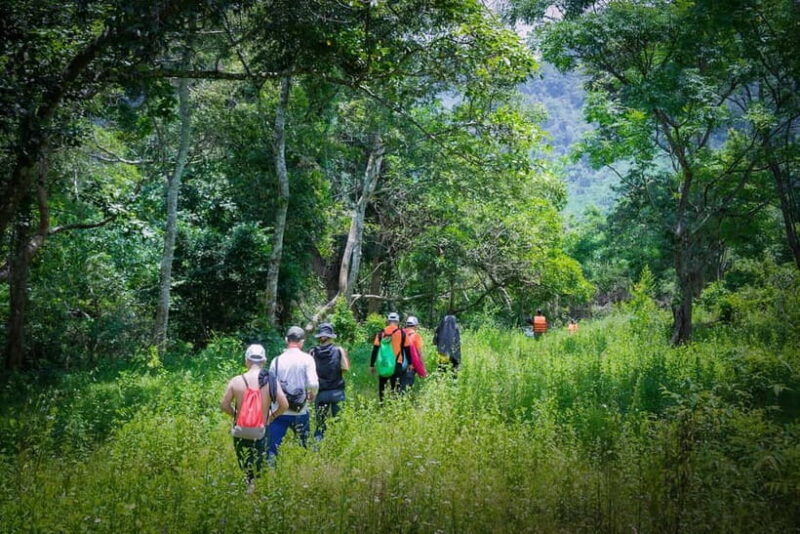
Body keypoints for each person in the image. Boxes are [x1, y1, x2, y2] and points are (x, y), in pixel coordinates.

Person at [220, 344, 288, 489]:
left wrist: (237, 415)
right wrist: (271, 416)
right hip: (262, 430)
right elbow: (284, 405)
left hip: (240, 430)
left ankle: (247, 490)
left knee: (246, 467)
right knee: (258, 469)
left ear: (246, 360)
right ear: (264, 361)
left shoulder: (236, 381)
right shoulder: (270, 381)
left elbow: (224, 405)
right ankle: (254, 495)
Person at [267, 326, 319, 460]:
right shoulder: (307, 359)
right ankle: (304, 472)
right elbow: (313, 383)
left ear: (286, 340)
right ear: (302, 342)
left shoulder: (276, 361)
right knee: (305, 446)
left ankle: (270, 474)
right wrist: (312, 394)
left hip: (278, 411)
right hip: (300, 411)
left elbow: (270, 387)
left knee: (272, 448)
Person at [309, 322, 349, 441]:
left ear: (320, 337)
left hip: (320, 392)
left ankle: (317, 446)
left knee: (320, 424)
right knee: (338, 422)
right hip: (337, 391)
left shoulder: (312, 352)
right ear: (331, 336)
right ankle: (338, 444)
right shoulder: (339, 350)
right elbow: (345, 368)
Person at [370, 312, 409, 402]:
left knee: (382, 387)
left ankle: (382, 405)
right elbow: (407, 349)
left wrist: (372, 365)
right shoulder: (402, 333)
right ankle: (394, 407)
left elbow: (375, 349)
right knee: (395, 388)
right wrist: (410, 363)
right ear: (398, 321)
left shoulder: (381, 333)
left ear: (388, 321)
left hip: (383, 363)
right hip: (397, 364)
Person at [400, 316, 424, 392]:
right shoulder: (416, 336)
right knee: (406, 390)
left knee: (397, 388)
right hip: (410, 367)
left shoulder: (399, 334)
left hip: (397, 365)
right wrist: (422, 366)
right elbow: (419, 353)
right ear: (415, 326)